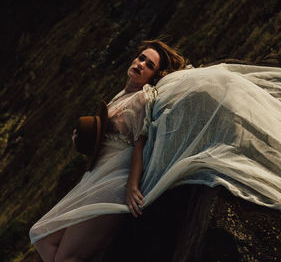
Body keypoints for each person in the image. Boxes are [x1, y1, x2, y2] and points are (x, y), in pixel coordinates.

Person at [30, 39, 185, 262]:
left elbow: (138, 144)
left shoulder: (142, 98)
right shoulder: (120, 95)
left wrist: (132, 186)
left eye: (149, 65)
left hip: (113, 183)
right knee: (39, 235)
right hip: (94, 178)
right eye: (141, 58)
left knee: (65, 257)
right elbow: (109, 142)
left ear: (153, 75)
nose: (141, 64)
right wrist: (83, 142)